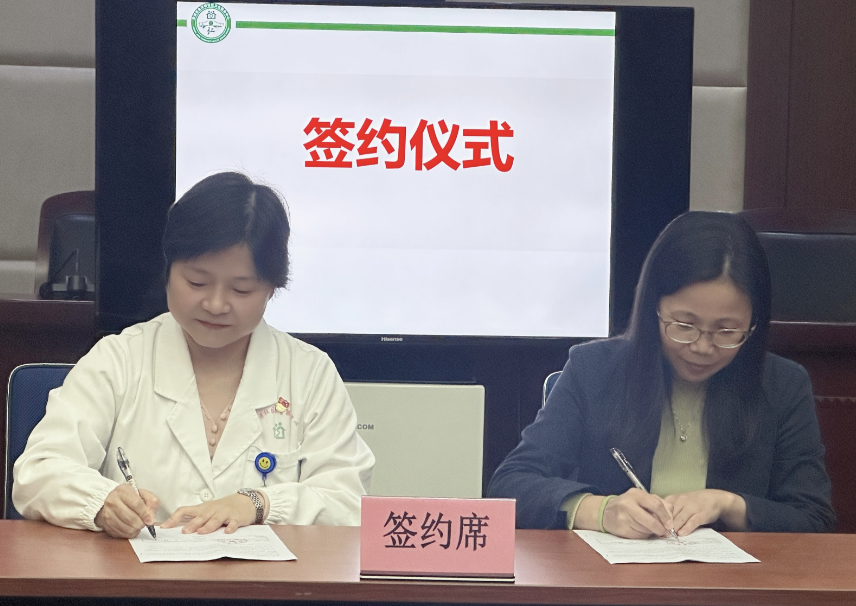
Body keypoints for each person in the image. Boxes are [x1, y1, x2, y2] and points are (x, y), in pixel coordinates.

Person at [13, 172, 374, 538]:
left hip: (265, 575)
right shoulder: (118, 359)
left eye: (241, 290)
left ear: (272, 288)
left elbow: (347, 501)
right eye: (197, 282)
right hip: (135, 573)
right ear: (168, 269)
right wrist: (102, 502)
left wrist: (259, 504)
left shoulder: (309, 373)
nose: (216, 304)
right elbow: (39, 471)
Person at [488, 211, 835, 536]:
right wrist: (600, 511)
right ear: (653, 308)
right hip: (607, 577)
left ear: (753, 325)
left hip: (730, 580)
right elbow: (511, 484)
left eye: (727, 331)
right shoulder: (592, 369)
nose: (702, 346)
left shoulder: (783, 386)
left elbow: (813, 517)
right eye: (684, 325)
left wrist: (729, 505)